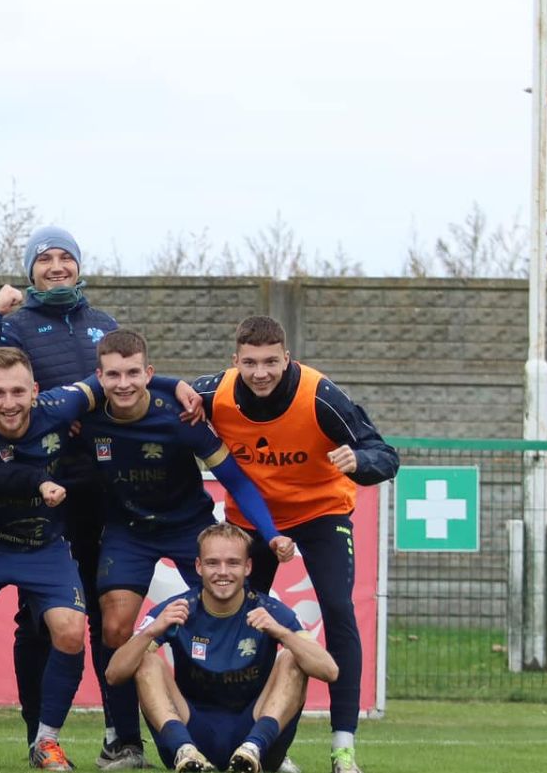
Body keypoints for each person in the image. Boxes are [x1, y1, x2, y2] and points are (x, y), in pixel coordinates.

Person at [0, 348, 200, 771]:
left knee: (69, 632)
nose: (9, 403)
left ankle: (46, 742)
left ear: (35, 392)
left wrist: (173, 383)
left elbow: (115, 378)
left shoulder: (62, 406)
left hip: (44, 545)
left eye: (17, 391)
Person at [192, 316, 400, 773]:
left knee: (339, 611)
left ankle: (343, 748)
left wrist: (359, 459)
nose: (261, 373)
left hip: (321, 513)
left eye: (271, 361)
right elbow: (153, 401)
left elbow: (386, 456)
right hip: (251, 522)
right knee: (240, 621)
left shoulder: (321, 395)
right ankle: (259, 745)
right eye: (250, 363)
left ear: (287, 358)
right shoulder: (212, 393)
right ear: (235, 362)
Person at [83, 330, 293, 771]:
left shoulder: (183, 418)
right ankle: (123, 742)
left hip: (190, 528)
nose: (124, 383)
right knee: (117, 627)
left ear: (149, 373)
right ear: (99, 377)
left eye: (134, 373)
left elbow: (235, 480)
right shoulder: (84, 415)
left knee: (249, 617)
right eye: (114, 375)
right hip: (129, 531)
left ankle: (268, 742)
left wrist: (270, 532)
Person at [0, 226, 127, 768]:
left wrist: (173, 386)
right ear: (31, 269)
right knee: (36, 620)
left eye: (65, 258)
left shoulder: (104, 325)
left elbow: (124, 385)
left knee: (105, 613)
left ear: (78, 266)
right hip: (36, 491)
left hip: (99, 490)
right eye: (45, 259)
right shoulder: (16, 325)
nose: (56, 267)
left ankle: (119, 737)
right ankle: (39, 735)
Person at [104, 523, 339, 773]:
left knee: (294, 656)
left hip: (256, 736)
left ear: (247, 567)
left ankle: (252, 750)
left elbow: (329, 671)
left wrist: (282, 633)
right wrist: (152, 631)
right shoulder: (175, 610)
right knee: (146, 660)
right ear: (198, 567)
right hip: (192, 734)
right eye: (213, 563)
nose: (223, 572)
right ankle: (185, 751)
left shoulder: (270, 611)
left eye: (233, 563)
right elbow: (114, 674)